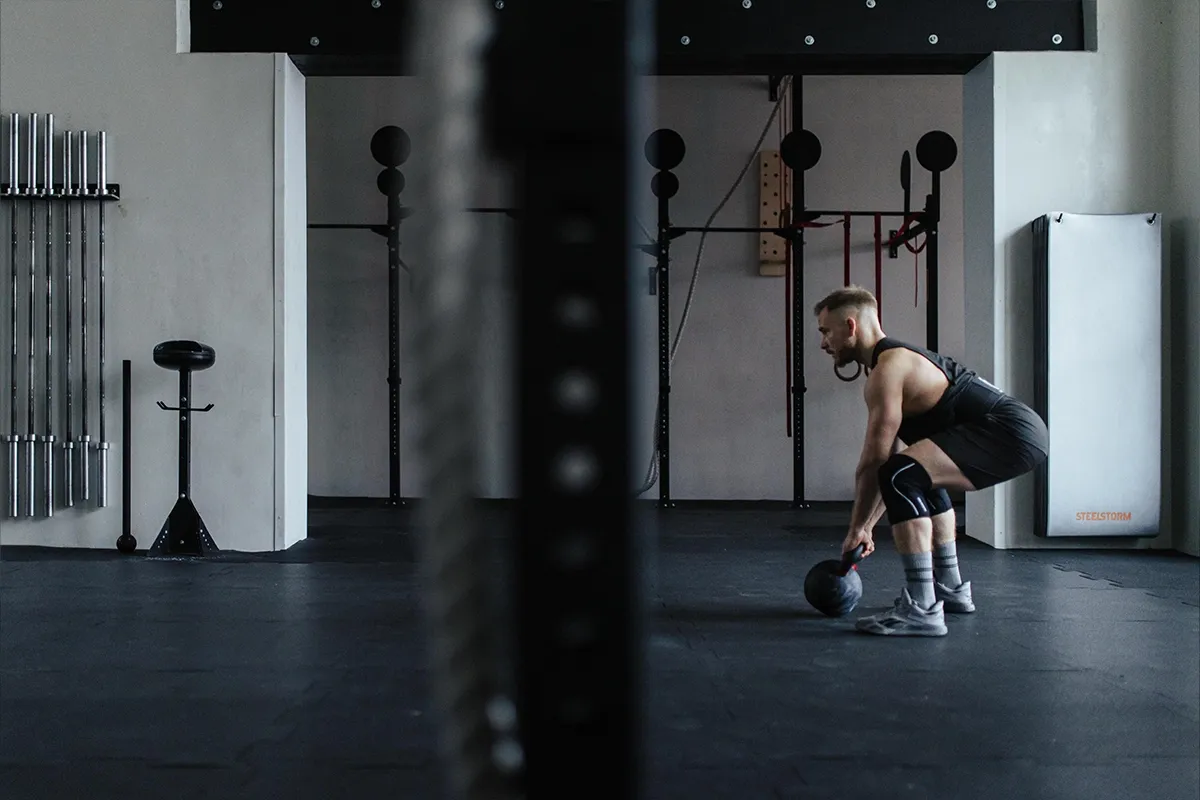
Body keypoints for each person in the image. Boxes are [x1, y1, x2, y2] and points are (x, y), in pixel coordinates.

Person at [813, 286, 1048, 637]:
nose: (823, 343)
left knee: (900, 474)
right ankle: (950, 589)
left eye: (825, 331)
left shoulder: (888, 370)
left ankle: (922, 608)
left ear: (850, 326)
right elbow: (893, 464)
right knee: (916, 474)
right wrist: (867, 525)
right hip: (1022, 432)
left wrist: (857, 529)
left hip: (1011, 431)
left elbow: (876, 461)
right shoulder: (892, 364)